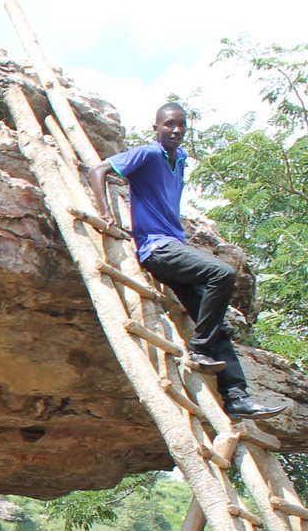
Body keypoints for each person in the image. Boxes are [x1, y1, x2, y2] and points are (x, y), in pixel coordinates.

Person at [88, 103, 286, 420]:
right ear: (156, 128)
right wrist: (106, 212)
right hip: (157, 249)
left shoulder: (180, 159)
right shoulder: (148, 154)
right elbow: (98, 170)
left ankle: (236, 397)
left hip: (175, 246)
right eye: (169, 125)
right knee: (222, 274)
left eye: (181, 125)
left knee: (217, 324)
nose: (176, 130)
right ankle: (200, 348)